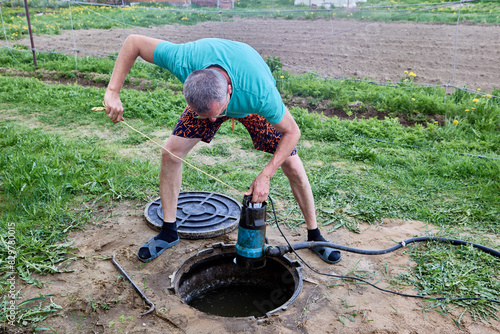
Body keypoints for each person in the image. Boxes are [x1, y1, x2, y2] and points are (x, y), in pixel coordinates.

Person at [104, 35, 341, 264]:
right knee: (170, 153)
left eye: (214, 116)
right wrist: (113, 92)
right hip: (209, 99)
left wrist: (266, 175)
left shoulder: (259, 93)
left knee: (292, 164)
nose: (210, 123)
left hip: (249, 106)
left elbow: (293, 132)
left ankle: (315, 235)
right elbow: (133, 42)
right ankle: (169, 232)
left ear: (229, 90)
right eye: (203, 116)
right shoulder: (183, 58)